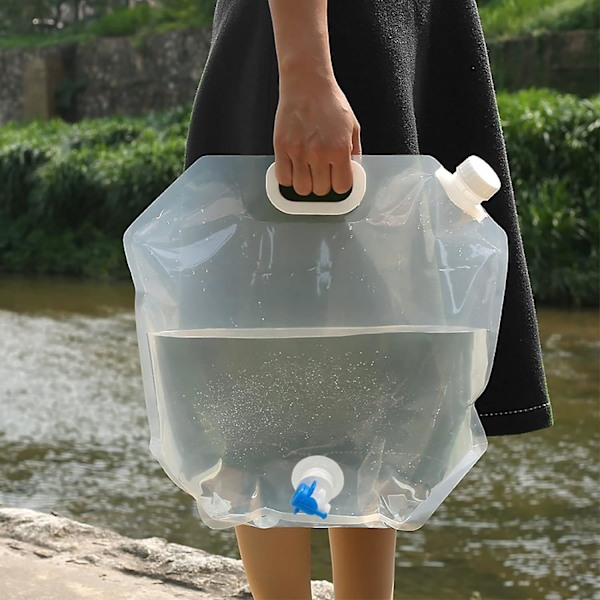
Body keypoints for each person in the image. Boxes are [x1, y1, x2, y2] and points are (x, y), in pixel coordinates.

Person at [184, 1, 553, 598]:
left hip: (405, 25)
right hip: (325, 33)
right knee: (261, 362)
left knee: (387, 363)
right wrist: (305, 72)